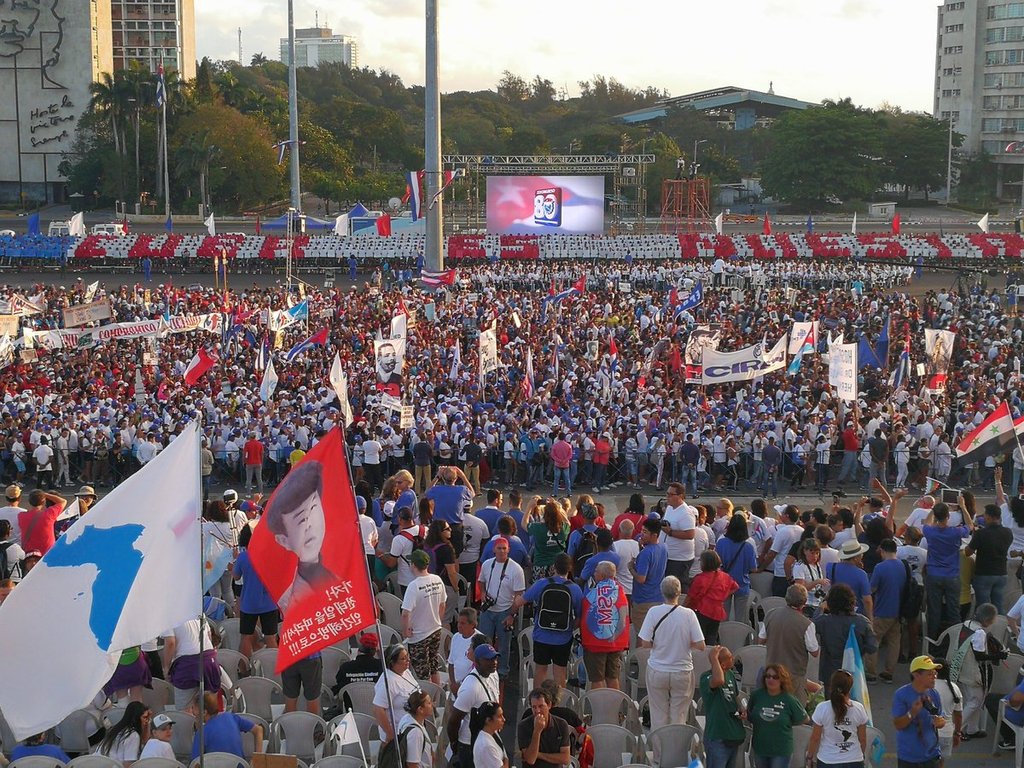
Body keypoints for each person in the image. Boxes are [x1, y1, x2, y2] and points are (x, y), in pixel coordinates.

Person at [262, 460, 338, 613]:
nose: (310, 524)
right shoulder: (288, 595)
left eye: (314, 509)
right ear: (283, 540)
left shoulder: (339, 572)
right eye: (301, 519)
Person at [638, 575, 706, 729]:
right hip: (682, 670)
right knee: (679, 716)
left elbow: (645, 643)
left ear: (662, 592)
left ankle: (660, 751)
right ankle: (676, 750)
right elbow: (701, 645)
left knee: (658, 715)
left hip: (658, 669)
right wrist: (685, 642)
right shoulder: (689, 614)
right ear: (679, 592)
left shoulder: (653, 612)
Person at [511, 553, 582, 687]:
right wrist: (570, 629)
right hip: (563, 638)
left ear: (554, 567)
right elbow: (579, 616)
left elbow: (519, 602)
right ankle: (558, 703)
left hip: (541, 635)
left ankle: (538, 700)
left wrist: (510, 615)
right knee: (560, 672)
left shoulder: (542, 584)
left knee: (540, 670)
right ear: (570, 568)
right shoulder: (575, 589)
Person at [477, 536, 525, 694]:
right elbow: (481, 581)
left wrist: (512, 614)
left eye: (504, 548)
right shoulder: (486, 565)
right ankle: (483, 669)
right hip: (488, 611)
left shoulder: (515, 569)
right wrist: (483, 593)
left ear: (508, 550)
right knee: (485, 642)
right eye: (499, 548)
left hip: (505, 611)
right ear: (494, 550)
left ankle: (502, 672)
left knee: (504, 645)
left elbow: (519, 594)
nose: (502, 551)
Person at [759, 584, 820, 705]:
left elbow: (761, 640)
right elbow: (814, 652)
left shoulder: (771, 614)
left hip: (771, 671)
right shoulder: (806, 624)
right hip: (794, 675)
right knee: (794, 710)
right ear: (805, 601)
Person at [923, 501, 974, 644]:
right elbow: (970, 526)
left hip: (934, 574)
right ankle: (955, 642)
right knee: (954, 611)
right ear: (948, 517)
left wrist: (933, 509)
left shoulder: (930, 532)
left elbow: (926, 523)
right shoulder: (955, 532)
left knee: (934, 610)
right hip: (952, 575)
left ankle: (932, 641)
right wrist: (963, 507)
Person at [813, 584, 877, 695]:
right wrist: (860, 649)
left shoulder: (824, 621)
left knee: (831, 703)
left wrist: (820, 608)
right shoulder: (862, 622)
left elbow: (810, 626)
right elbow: (872, 647)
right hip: (854, 670)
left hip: (830, 670)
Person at [448, 644, 501, 768]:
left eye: (495, 658)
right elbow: (453, 721)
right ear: (477, 662)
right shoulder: (470, 688)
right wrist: (455, 744)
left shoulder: (493, 674)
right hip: (470, 744)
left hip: (489, 739)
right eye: (488, 659)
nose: (494, 662)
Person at [580, 561, 630, 689]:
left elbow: (584, 614)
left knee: (597, 679)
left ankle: (599, 708)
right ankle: (613, 708)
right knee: (613, 677)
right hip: (615, 642)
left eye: (596, 571)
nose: (594, 573)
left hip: (595, 643)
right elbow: (623, 615)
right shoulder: (620, 591)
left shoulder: (593, 593)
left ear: (601, 576)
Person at [748, 663, 808, 768]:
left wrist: (787, 722)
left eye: (775, 677)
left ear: (782, 680)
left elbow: (804, 718)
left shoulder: (789, 699)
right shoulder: (756, 696)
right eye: (768, 676)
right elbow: (750, 714)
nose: (771, 679)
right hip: (760, 748)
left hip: (781, 751)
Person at [892, 656, 947, 768]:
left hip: (932, 756)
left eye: (935, 673)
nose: (934, 677)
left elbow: (939, 718)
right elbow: (898, 725)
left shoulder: (934, 694)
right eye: (930, 674)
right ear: (916, 675)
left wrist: (941, 723)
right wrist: (912, 712)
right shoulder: (901, 695)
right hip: (909, 758)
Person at [401, 549, 446, 685]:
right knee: (434, 666)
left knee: (423, 673)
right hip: (435, 629)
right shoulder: (437, 579)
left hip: (419, 635)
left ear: (413, 565)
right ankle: (436, 698)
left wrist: (405, 630)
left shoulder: (414, 586)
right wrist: (437, 619)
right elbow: (442, 604)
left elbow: (405, 613)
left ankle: (427, 702)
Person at [806, 670, 868, 768]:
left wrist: (809, 757)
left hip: (828, 760)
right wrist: (861, 754)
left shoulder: (822, 708)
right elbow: (863, 739)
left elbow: (815, 738)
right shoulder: (859, 708)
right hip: (854, 759)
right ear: (850, 688)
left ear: (832, 686)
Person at [700, 646, 746, 768]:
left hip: (733, 735)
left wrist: (741, 707)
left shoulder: (730, 674)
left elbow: (735, 695)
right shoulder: (706, 677)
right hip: (717, 737)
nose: (733, 659)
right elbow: (719, 680)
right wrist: (714, 659)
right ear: (723, 664)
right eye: (730, 657)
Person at [966, 503, 1013, 613]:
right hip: (1001, 573)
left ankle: (983, 628)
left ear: (989, 516)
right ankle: (1000, 627)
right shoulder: (1007, 532)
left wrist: (974, 537)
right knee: (999, 605)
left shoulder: (981, 533)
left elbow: (968, 552)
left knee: (983, 607)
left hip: (984, 573)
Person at [684, 549, 738, 644]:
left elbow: (690, 597)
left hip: (702, 611)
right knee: (712, 638)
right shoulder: (724, 576)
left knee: (699, 639)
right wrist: (723, 596)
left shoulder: (700, 579)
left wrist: (681, 609)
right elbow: (735, 587)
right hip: (717, 612)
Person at [191, 691, 263, 760]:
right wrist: (258, 758)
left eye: (193, 708)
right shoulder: (231, 717)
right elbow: (259, 729)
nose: (192, 712)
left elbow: (195, 763)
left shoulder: (201, 733)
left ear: (204, 712)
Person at [715, 512, 758, 623]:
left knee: (723, 617)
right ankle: (739, 638)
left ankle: (724, 638)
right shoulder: (748, 546)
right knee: (741, 619)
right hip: (742, 584)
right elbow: (753, 568)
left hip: (724, 584)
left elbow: (717, 565)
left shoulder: (721, 543)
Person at [373, 643, 420, 743]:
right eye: (403, 659)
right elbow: (378, 709)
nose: (408, 661)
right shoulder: (388, 681)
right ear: (392, 662)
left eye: (407, 657)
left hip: (412, 728)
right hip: (398, 734)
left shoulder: (406, 672)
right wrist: (390, 734)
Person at [517, 687, 571, 768]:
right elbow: (531, 759)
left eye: (541, 706)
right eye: (534, 707)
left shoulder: (561, 724)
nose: (537, 711)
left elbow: (565, 759)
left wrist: (538, 754)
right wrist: (537, 731)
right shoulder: (524, 726)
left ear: (549, 705)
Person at [629, 516, 669, 627]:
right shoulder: (663, 547)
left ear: (654, 535)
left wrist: (631, 567)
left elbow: (641, 579)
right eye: (642, 530)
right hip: (658, 597)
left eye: (645, 532)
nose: (641, 534)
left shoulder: (646, 553)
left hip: (643, 601)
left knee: (642, 636)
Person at [95, 701, 150, 767]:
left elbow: (145, 740)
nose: (147, 721)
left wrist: (147, 726)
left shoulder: (116, 728)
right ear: (136, 718)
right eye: (145, 717)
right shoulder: (133, 735)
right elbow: (128, 764)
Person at [661, 483, 696, 585]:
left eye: (671, 495)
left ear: (680, 496)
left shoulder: (686, 513)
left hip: (679, 559)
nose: (668, 497)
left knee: (677, 586)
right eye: (667, 494)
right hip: (668, 555)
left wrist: (670, 532)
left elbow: (690, 534)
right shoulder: (670, 508)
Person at [17, 488, 67, 555]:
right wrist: (44, 494)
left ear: (29, 501)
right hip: (47, 552)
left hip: (29, 554)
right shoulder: (49, 514)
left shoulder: (21, 516)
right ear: (43, 502)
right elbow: (63, 501)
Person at [395, 689, 435, 768]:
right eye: (429, 703)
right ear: (420, 709)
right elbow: (412, 764)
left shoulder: (407, 718)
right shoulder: (415, 733)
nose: (432, 705)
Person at [448, 608, 483, 694]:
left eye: (463, 623)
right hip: (455, 684)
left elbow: (480, 667)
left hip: (470, 687)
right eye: (458, 622)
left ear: (473, 625)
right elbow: (451, 663)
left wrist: (464, 685)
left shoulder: (479, 640)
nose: (459, 625)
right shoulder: (455, 637)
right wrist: (453, 683)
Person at [471, 701, 509, 768]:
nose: (504, 719)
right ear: (488, 720)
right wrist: (505, 761)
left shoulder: (494, 733)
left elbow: (504, 757)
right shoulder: (486, 746)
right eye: (499, 716)